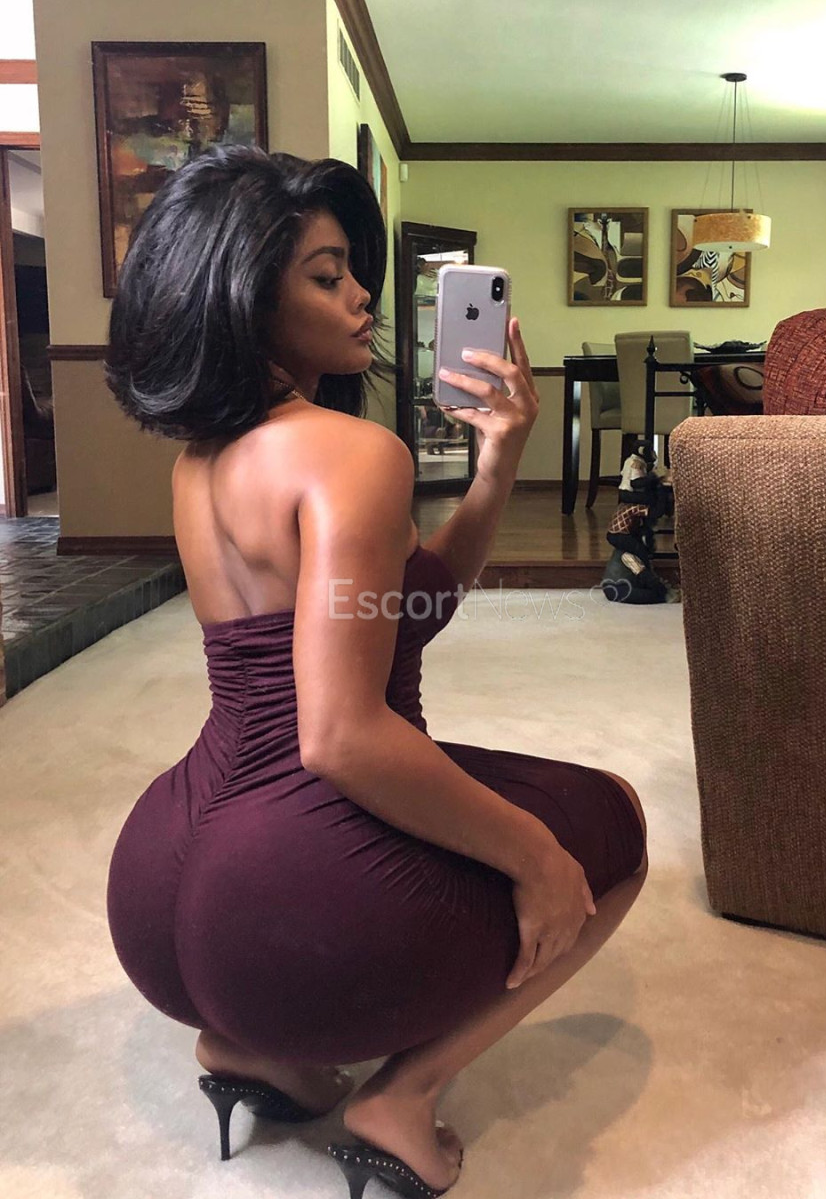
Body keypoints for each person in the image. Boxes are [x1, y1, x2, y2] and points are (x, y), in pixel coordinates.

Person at [104, 145, 647, 1199]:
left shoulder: (200, 459)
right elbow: (341, 736)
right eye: (327, 275)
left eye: (355, 270)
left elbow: (402, 613)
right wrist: (535, 858)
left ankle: (249, 1048)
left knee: (509, 815)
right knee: (609, 829)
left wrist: (496, 463)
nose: (362, 297)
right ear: (245, 296)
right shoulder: (351, 452)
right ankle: (402, 1097)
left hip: (160, 886)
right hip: (292, 889)